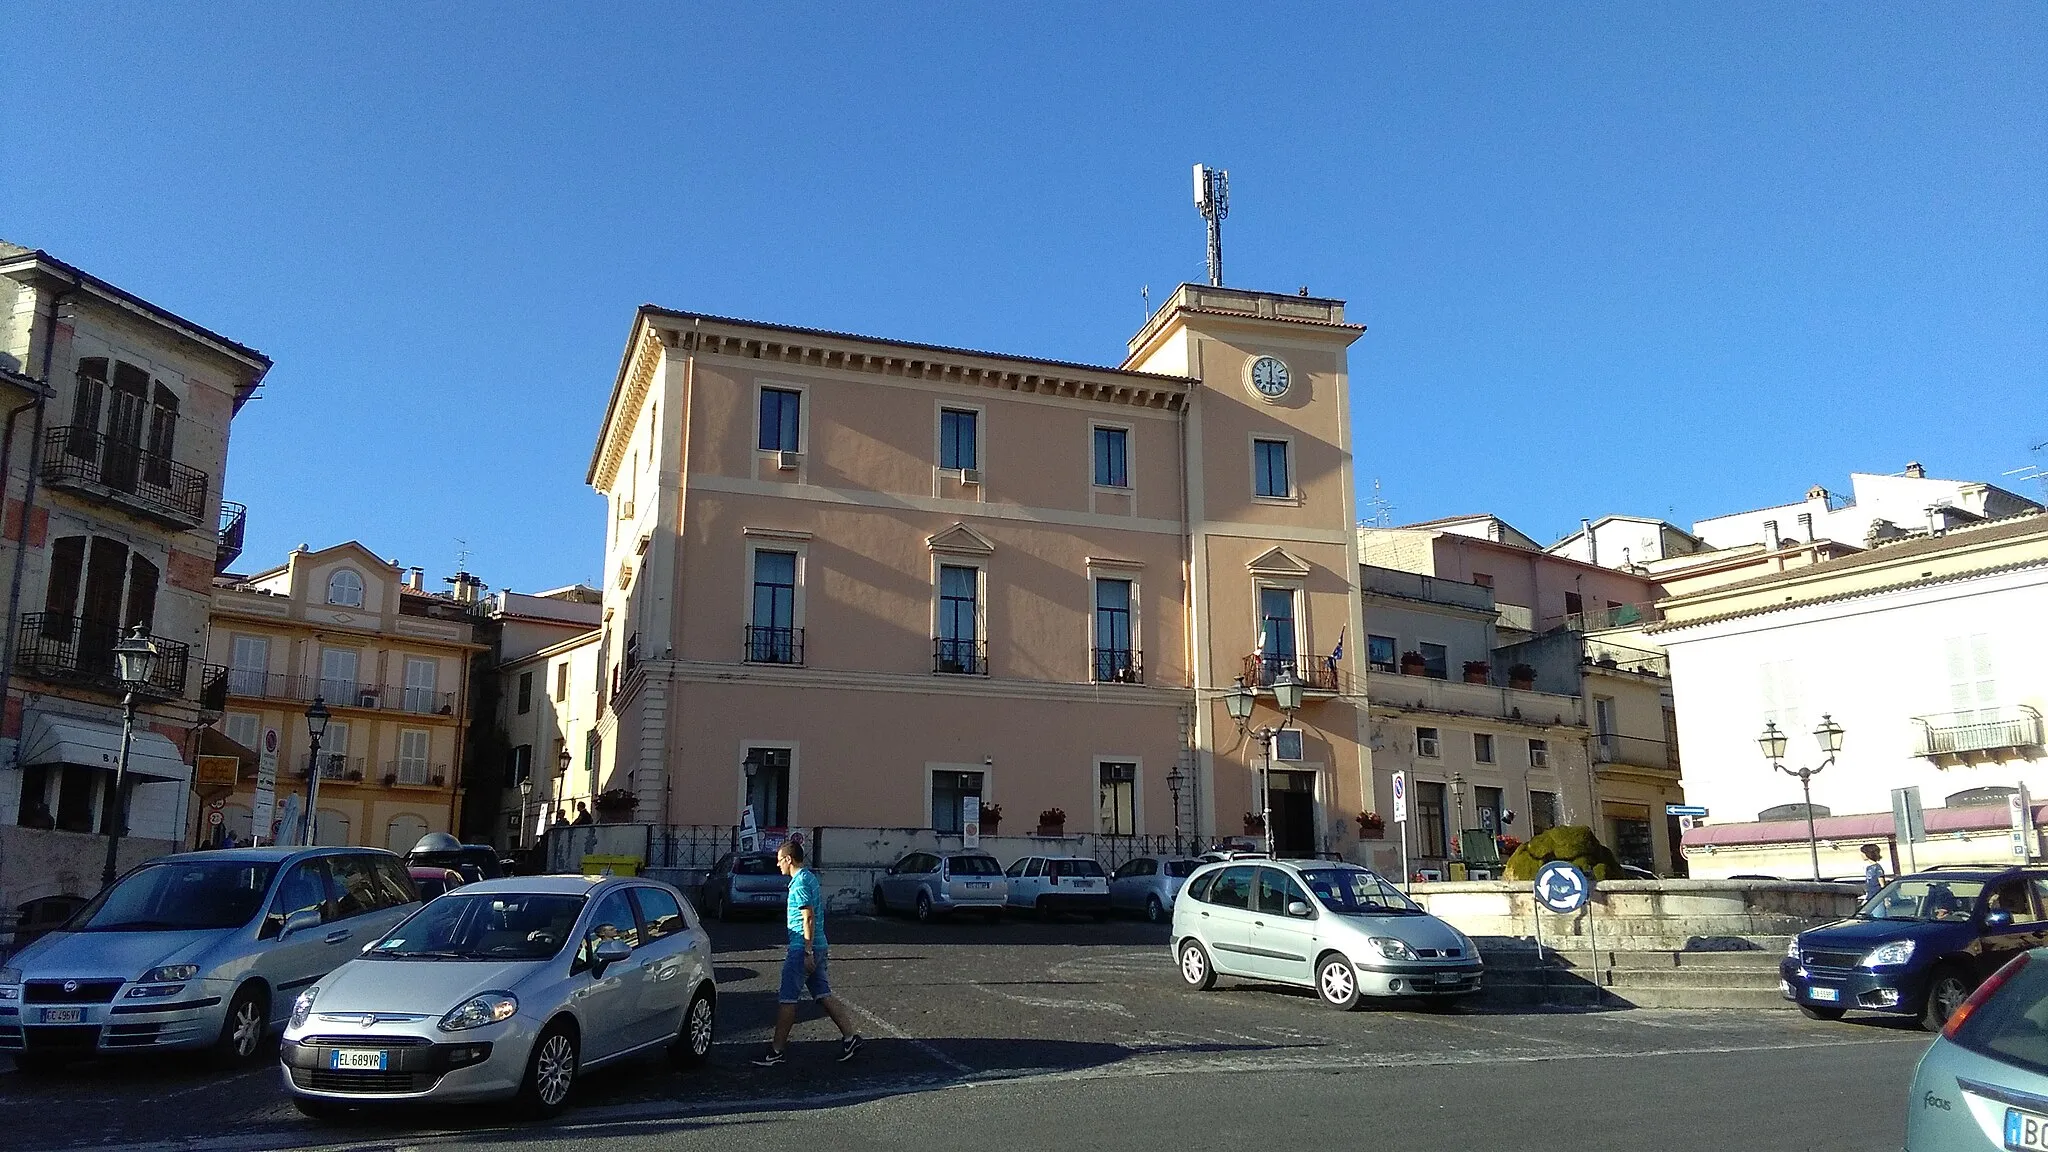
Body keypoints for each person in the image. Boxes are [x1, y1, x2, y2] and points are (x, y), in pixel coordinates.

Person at [752, 838, 862, 1066]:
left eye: (779, 860)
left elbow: (808, 916)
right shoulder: (809, 878)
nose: (777, 865)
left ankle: (776, 1051)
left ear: (789, 859)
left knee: (788, 998)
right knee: (823, 993)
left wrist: (807, 951)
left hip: (802, 948)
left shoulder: (800, 883)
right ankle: (850, 1037)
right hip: (818, 945)